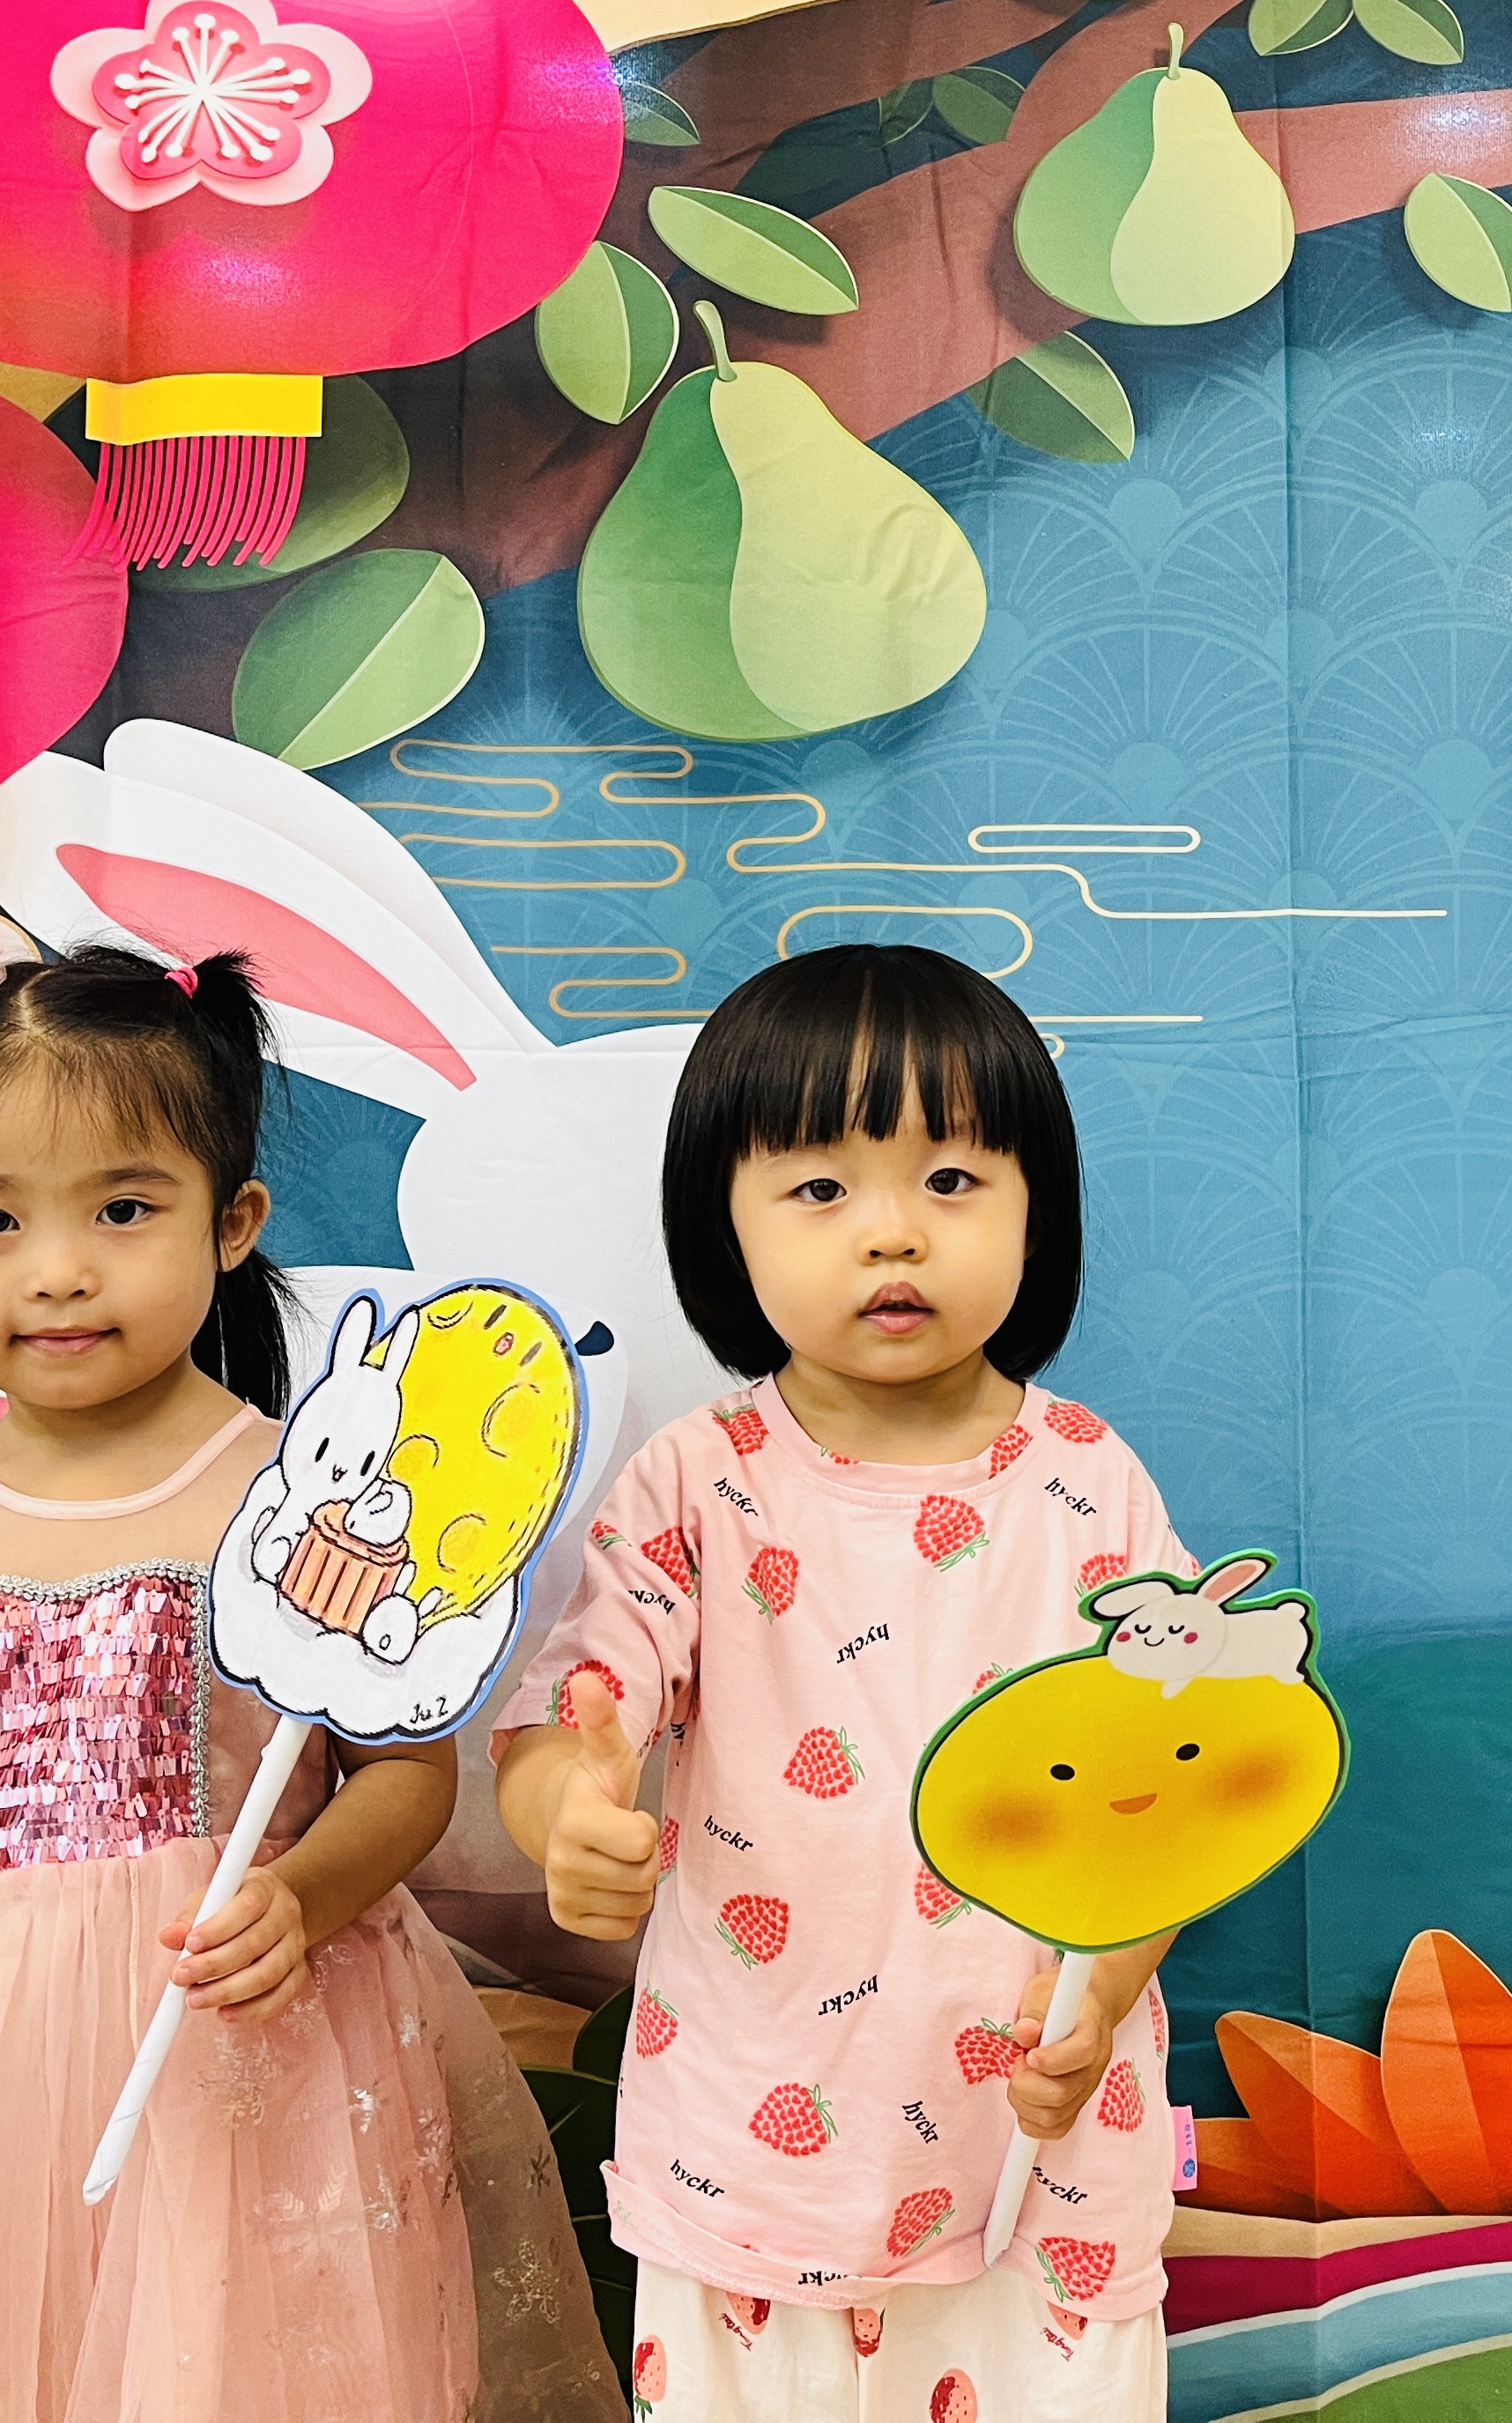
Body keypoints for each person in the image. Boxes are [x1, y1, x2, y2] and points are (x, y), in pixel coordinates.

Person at [0, 924, 613, 2423]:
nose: (61, 1270)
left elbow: (404, 1777)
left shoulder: (312, 1498)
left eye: (125, 1207)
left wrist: (305, 1895)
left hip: (249, 2056)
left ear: (233, 1222)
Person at [493, 944, 1196, 2419]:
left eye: (952, 1180)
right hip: (753, 2148)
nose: (893, 1233)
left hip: (1036, 2149)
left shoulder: (1092, 1486)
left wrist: (1103, 1998)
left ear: (1039, 1209)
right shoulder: (696, 1483)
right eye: (820, 1188)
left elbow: (1175, 1802)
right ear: (724, 1226)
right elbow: (575, 1713)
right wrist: (570, 1814)